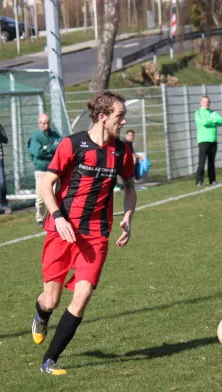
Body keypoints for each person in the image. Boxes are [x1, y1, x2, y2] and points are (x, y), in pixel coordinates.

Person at [31, 90, 137, 376]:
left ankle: (49, 359)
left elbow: (129, 187)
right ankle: (41, 313)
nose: (123, 120)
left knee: (84, 294)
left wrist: (127, 218)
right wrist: (58, 217)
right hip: (61, 231)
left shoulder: (122, 151)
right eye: (119, 115)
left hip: (96, 235)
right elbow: (46, 185)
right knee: (50, 300)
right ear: (102, 118)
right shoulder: (72, 144)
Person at [28, 113, 61, 226]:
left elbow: (61, 146)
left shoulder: (54, 135)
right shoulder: (36, 137)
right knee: (41, 195)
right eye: (43, 123)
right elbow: (38, 153)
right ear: (39, 124)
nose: (46, 125)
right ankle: (40, 218)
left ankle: (55, 215)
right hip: (41, 169)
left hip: (55, 169)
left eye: (47, 123)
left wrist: (48, 148)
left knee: (56, 193)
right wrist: (52, 149)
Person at [194, 95, 222, 186]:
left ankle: (212, 179)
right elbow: (204, 123)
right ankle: (199, 180)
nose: (206, 104)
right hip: (203, 140)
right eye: (204, 102)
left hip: (213, 140)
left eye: (207, 102)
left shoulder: (213, 112)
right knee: (202, 161)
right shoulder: (198, 112)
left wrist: (210, 120)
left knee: (211, 161)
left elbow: (221, 121)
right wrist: (213, 121)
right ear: (201, 103)